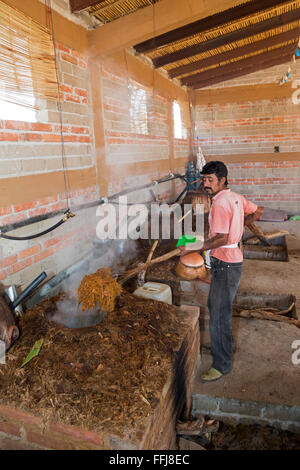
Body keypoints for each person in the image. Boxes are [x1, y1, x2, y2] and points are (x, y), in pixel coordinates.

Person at [179, 161, 263, 382]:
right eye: (204, 179)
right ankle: (225, 348)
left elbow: (221, 238)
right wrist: (240, 225)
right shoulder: (235, 197)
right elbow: (257, 211)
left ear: (223, 180)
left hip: (226, 265)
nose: (206, 184)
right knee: (218, 308)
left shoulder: (220, 204)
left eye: (210, 180)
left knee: (218, 315)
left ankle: (222, 364)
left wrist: (191, 247)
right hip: (229, 261)